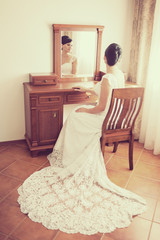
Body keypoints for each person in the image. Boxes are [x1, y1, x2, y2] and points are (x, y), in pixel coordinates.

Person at [17, 43, 146, 235]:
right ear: (118, 59)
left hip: (103, 120)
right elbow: (105, 94)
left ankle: (71, 156)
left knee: (74, 117)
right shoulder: (120, 75)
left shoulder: (108, 79)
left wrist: (86, 108)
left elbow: (101, 107)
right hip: (115, 121)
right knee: (77, 116)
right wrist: (90, 89)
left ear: (104, 58)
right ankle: (77, 149)